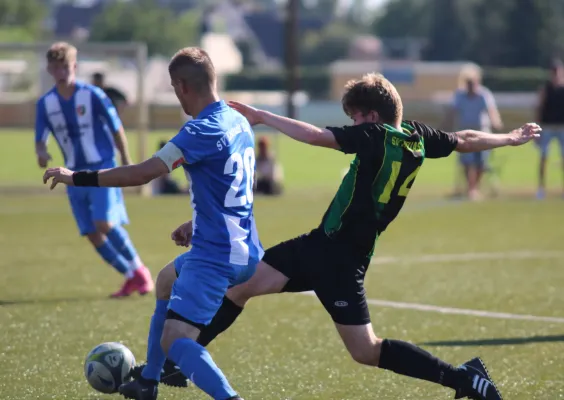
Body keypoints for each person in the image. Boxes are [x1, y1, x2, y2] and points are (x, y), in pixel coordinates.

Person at [132, 73, 541, 400]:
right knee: (242, 287)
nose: (352, 125)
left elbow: (313, 136)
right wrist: (509, 138)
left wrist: (261, 115)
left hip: (341, 261)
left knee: (365, 350)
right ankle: (177, 360)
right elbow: (465, 139)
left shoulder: (373, 137)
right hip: (320, 246)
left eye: (355, 117)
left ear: (372, 117)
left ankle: (464, 379)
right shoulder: (416, 136)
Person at [44, 46, 262, 400]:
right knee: (164, 281)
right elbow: (235, 189)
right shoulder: (237, 119)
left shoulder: (198, 131)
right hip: (244, 249)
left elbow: (142, 173)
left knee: (176, 341)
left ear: (181, 86)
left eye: (175, 90)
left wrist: (75, 177)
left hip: (217, 256)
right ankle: (148, 379)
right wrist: (198, 221)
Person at [36, 42, 153, 298]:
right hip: (71, 175)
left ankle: (140, 271)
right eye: (56, 67)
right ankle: (130, 275)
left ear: (74, 66)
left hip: (101, 168)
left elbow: (115, 127)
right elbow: (40, 138)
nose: (61, 72)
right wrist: (41, 152)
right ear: (49, 69)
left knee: (103, 222)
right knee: (91, 232)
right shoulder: (45, 104)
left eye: (65, 66)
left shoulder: (93, 95)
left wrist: (125, 158)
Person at [447, 75, 503, 200]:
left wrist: (496, 123)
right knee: (467, 162)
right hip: (466, 132)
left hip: (482, 130)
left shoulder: (484, 94)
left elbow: (491, 110)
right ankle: (471, 188)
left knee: (481, 163)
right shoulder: (460, 95)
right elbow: (453, 111)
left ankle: (475, 186)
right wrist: (447, 125)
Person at [535, 59, 564, 199]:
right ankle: (541, 188)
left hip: (562, 126)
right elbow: (540, 108)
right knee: (543, 157)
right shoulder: (546, 88)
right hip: (547, 126)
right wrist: (537, 128)